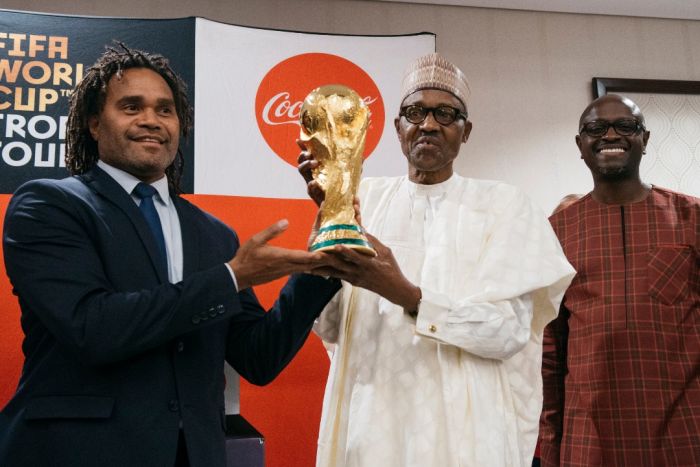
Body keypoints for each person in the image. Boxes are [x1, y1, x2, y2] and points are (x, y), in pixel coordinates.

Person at [0, 44, 341, 467]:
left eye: (165, 110)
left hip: (193, 455)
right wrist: (230, 279)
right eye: (131, 106)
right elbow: (92, 328)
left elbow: (258, 357)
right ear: (93, 123)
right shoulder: (47, 206)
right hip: (76, 452)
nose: (150, 120)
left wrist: (323, 256)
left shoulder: (213, 234)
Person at [298, 53, 575, 467]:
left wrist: (410, 296)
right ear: (397, 128)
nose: (428, 124)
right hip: (376, 425)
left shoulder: (505, 206)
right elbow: (334, 327)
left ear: (466, 132)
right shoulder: (365, 200)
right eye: (415, 112)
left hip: (467, 433)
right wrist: (328, 221)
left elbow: (506, 332)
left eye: (445, 114)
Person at [540, 94, 700, 466]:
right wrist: (549, 446)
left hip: (686, 432)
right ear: (580, 146)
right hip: (589, 437)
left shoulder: (692, 218)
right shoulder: (554, 232)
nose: (610, 134)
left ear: (644, 138)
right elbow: (550, 351)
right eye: (596, 128)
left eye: (625, 126)